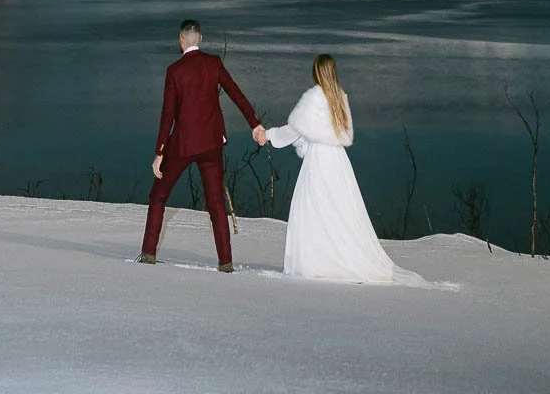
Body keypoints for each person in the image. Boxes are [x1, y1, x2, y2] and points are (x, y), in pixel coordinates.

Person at [265, 54, 425, 284]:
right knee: (340, 210)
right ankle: (337, 259)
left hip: (319, 161)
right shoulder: (340, 98)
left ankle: (315, 262)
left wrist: (268, 135)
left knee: (313, 210)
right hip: (338, 161)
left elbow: (293, 130)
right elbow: (339, 132)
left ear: (316, 73)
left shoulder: (314, 98)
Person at [139, 18, 266, 273]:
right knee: (216, 202)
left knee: (158, 195)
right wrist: (255, 124)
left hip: (183, 144)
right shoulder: (213, 63)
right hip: (211, 143)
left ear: (181, 40)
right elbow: (237, 94)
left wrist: (159, 152)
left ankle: (149, 254)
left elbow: (168, 115)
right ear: (201, 39)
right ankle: (226, 263)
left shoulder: (174, 71)